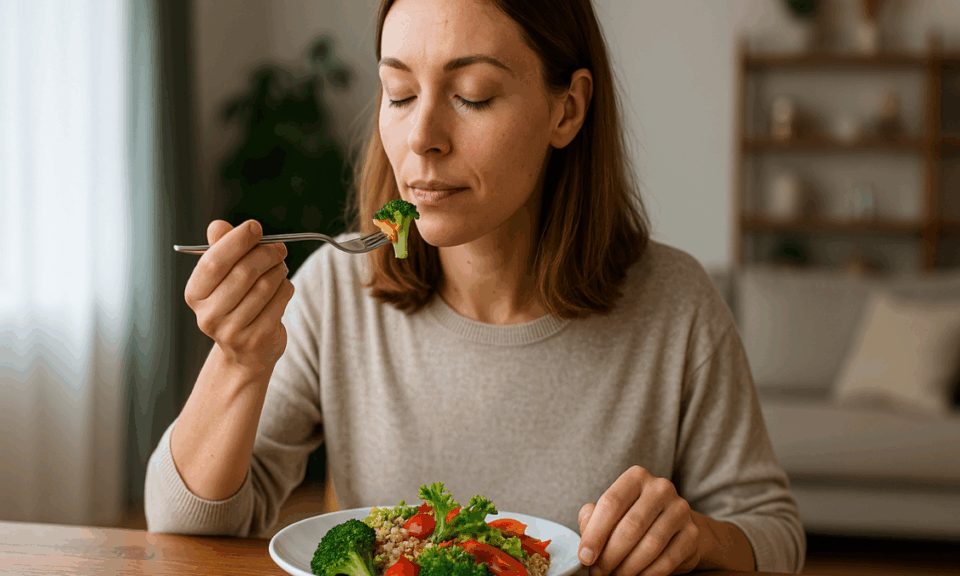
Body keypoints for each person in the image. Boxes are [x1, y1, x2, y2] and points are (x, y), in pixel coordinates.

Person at [144, 0, 807, 574]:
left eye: (473, 96)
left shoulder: (676, 304)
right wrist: (238, 362)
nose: (421, 138)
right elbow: (179, 528)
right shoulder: (338, 291)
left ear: (567, 110)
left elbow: (774, 532)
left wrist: (698, 537)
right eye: (399, 95)